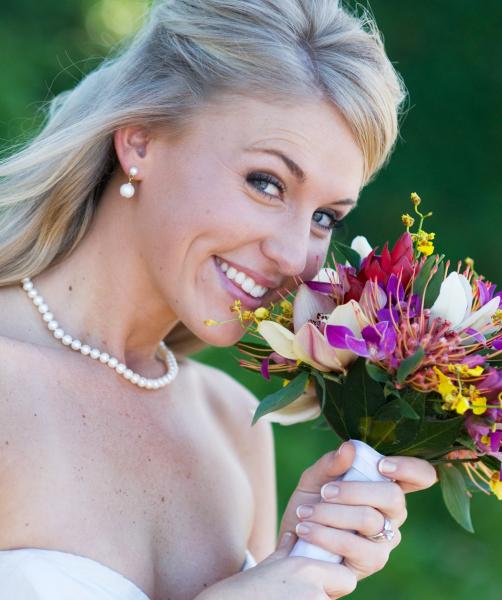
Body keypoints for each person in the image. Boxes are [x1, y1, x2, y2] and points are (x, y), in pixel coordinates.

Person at [0, 1, 438, 598]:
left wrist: (296, 564)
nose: (294, 256)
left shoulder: (237, 426)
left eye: (325, 217)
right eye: (266, 183)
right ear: (140, 141)